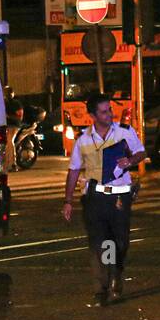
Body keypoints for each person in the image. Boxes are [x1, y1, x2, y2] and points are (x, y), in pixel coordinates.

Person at [62, 93, 147, 305]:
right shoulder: (83, 140)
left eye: (109, 109)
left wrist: (130, 160)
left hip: (119, 197)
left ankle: (116, 274)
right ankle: (101, 288)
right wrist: (68, 201)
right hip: (95, 198)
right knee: (98, 244)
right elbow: (73, 170)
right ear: (93, 115)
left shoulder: (124, 132)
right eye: (104, 111)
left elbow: (141, 152)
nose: (109, 114)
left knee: (120, 242)